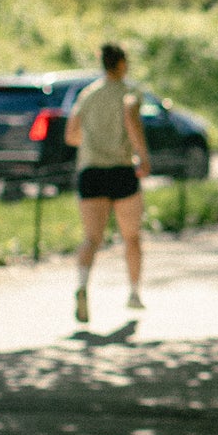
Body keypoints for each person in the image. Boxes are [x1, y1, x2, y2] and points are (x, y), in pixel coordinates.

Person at [64, 43, 151, 323]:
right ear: (122, 64)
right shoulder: (129, 92)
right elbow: (130, 118)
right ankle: (134, 292)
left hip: (90, 171)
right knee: (131, 236)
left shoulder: (87, 94)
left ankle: (81, 285)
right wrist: (143, 155)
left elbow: (71, 135)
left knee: (92, 238)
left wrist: (92, 143)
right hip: (121, 170)